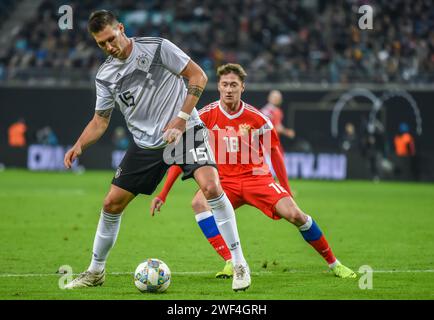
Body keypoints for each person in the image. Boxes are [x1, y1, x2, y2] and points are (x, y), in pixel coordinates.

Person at [63, 10, 250, 291]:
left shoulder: (157, 47)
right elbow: (100, 121)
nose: (109, 47)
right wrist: (79, 144)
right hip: (146, 145)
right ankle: (95, 271)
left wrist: (181, 119)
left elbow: (198, 76)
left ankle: (239, 264)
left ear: (121, 29)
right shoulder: (105, 76)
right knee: (110, 204)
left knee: (211, 188)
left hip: (186, 133)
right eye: (102, 44)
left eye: (111, 39)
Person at [151, 63, 357, 280]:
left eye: (233, 84)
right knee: (198, 203)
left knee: (296, 215)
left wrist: (285, 190)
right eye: (224, 85)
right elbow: (186, 155)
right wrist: (163, 193)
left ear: (243, 87)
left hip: (256, 179)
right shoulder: (204, 117)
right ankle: (231, 261)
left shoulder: (257, 118)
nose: (229, 89)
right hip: (224, 182)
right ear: (218, 87)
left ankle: (334, 264)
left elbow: (275, 153)